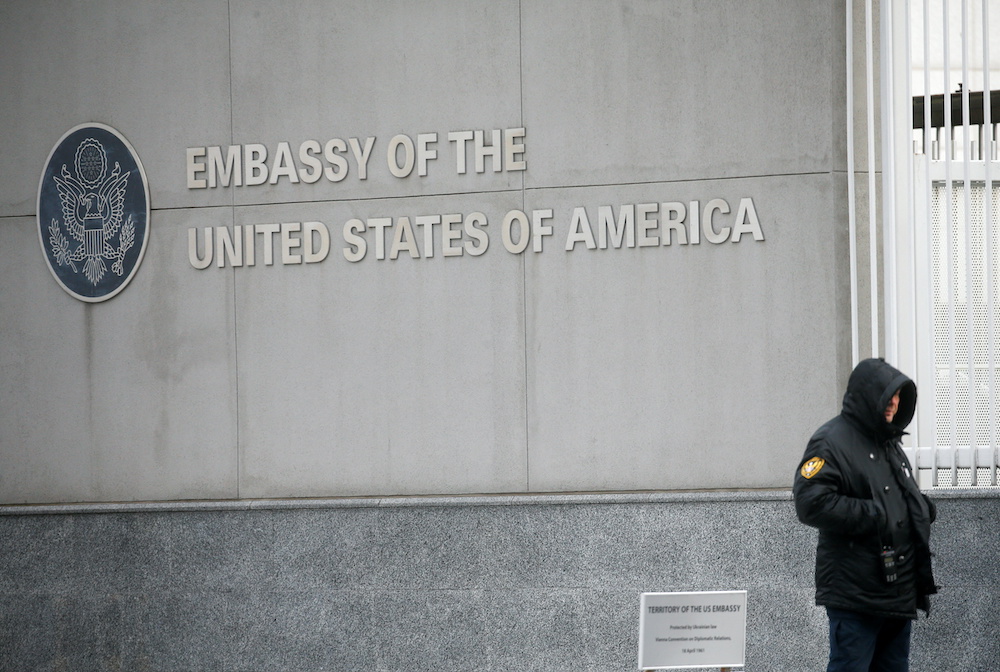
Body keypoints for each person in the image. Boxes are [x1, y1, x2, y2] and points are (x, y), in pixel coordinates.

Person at [793, 358, 937, 672]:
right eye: (889, 395)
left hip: (897, 593)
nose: (895, 402)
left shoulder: (889, 442)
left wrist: (918, 508)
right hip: (856, 594)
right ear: (869, 395)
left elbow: (893, 497)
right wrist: (876, 514)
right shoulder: (831, 440)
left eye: (899, 395)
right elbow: (810, 501)